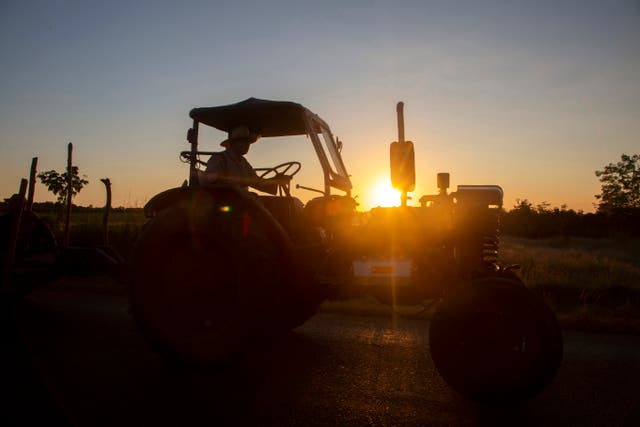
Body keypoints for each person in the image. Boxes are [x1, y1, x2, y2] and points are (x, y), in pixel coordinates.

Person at [201, 125, 286, 194]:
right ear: (234, 143)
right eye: (243, 141)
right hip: (224, 202)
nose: (247, 145)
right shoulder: (219, 158)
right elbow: (210, 182)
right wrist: (234, 189)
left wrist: (276, 180)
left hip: (242, 201)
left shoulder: (244, 163)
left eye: (248, 142)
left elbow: (256, 181)